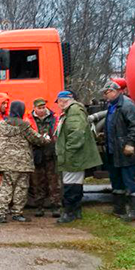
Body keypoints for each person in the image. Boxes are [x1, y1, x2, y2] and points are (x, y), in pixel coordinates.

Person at [0, 100, 50, 223]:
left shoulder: (1, 125)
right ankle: (17, 213)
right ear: (21, 110)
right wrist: (46, 139)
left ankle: (2, 213)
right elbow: (37, 140)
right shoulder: (24, 126)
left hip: (4, 162)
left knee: (6, 187)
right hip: (21, 163)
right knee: (21, 188)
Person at [54, 90, 102, 223]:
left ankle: (69, 213)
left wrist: (69, 152)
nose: (58, 105)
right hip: (76, 154)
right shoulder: (73, 110)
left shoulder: (73, 111)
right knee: (76, 183)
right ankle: (76, 211)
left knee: (70, 184)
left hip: (73, 155)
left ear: (64, 100)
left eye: (58, 102)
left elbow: (76, 133)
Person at [103, 78, 135, 221]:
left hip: (124, 151)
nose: (105, 95)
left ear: (115, 92)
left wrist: (130, 143)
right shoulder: (111, 106)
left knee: (129, 180)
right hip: (113, 150)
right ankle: (119, 209)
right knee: (116, 180)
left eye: (107, 92)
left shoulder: (127, 105)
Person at [28, 97, 61, 217]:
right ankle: (39, 207)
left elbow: (57, 131)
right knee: (37, 182)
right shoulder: (28, 119)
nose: (42, 110)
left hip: (51, 152)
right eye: (39, 108)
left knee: (53, 182)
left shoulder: (54, 117)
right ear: (34, 108)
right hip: (36, 153)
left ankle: (56, 207)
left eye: (43, 107)